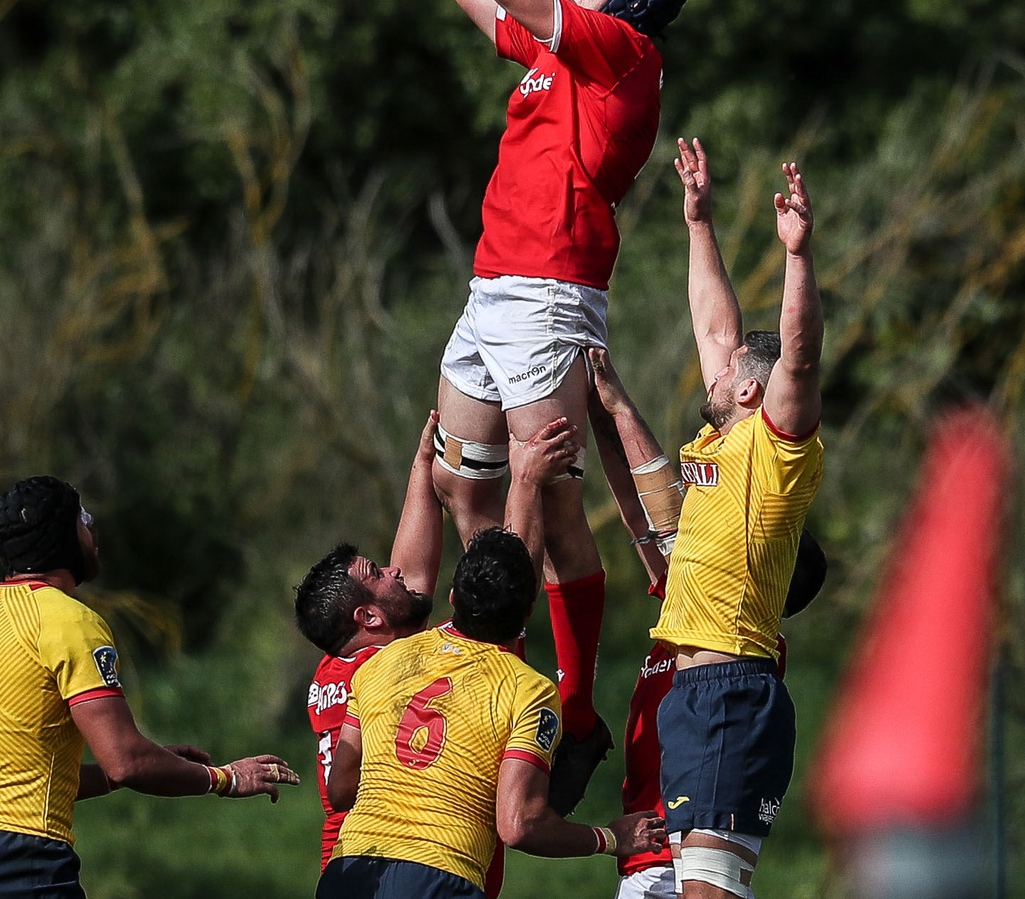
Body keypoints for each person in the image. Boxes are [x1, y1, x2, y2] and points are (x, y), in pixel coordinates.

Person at [370, 0, 693, 805]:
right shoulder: (556, 55)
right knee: (465, 486)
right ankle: (522, 674)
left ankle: (567, 709)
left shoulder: (623, 57)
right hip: (487, 293)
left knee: (549, 505)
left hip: (549, 295)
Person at [0, 476, 299, 899]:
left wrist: (144, 766)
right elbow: (126, 761)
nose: (93, 528)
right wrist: (224, 778)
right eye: (83, 518)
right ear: (61, 535)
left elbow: (27, 778)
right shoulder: (67, 618)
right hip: (14, 857)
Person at [646, 139, 824, 899]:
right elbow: (717, 325)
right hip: (694, 697)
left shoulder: (773, 453)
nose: (710, 367)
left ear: (753, 392)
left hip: (729, 694)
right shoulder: (718, 440)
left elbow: (801, 360)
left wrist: (798, 256)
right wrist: (698, 221)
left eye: (725, 372)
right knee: (703, 889)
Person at [587, 347, 827, 899]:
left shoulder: (737, 645)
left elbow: (663, 516)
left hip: (673, 855)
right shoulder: (686, 613)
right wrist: (611, 415)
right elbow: (647, 514)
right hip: (642, 863)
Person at [320, 526, 667, 899]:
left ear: (453, 597)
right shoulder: (529, 691)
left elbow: (340, 790)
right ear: (528, 615)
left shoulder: (381, 663)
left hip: (352, 870)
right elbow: (518, 824)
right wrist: (611, 838)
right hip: (439, 877)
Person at [295, 413, 446, 875]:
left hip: (339, 862)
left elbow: (409, 582)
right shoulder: (386, 667)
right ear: (368, 618)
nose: (393, 570)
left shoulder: (333, 664)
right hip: (380, 857)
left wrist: (423, 464)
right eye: (377, 573)